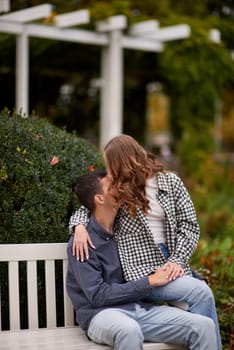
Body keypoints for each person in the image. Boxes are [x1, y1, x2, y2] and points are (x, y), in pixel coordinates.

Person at [69, 134, 222, 350]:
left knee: (201, 300)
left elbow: (189, 225)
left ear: (125, 161)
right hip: (139, 272)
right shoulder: (122, 190)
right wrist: (79, 226)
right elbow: (90, 205)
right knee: (199, 292)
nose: (110, 174)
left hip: (170, 262)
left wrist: (177, 260)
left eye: (112, 167)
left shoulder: (171, 182)